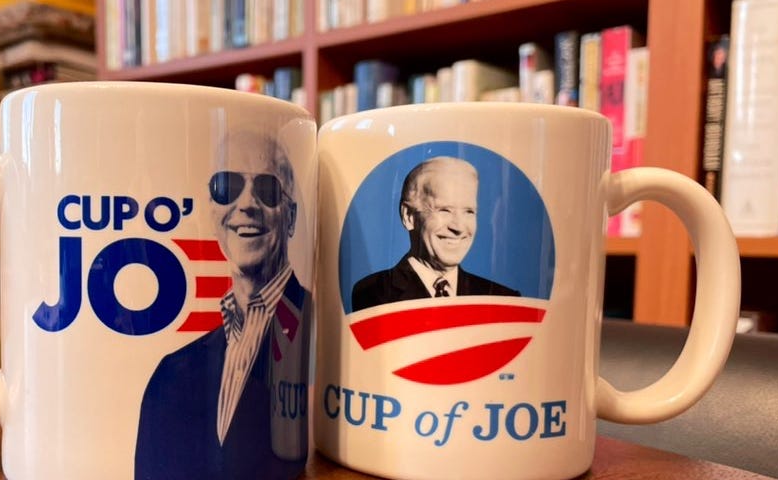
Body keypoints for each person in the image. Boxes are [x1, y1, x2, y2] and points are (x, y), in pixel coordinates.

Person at [135, 130, 310, 480]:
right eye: (227, 187)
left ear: (290, 217)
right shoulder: (171, 372)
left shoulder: (318, 336)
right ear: (213, 213)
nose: (246, 204)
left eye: (267, 189)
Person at [352, 157, 519, 312]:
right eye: (444, 210)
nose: (459, 227)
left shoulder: (505, 301)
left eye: (469, 211)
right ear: (409, 216)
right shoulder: (372, 295)